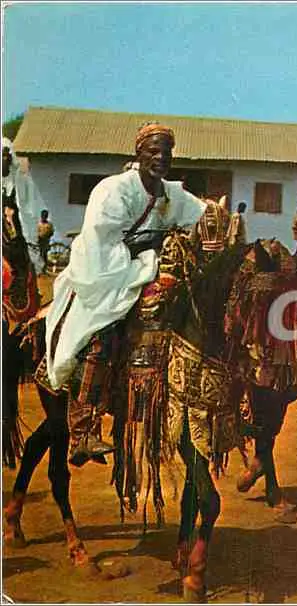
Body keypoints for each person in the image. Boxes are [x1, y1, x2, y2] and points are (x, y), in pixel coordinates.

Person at [43, 123, 207, 467]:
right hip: (107, 275)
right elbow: (99, 245)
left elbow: (203, 218)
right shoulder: (114, 190)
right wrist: (153, 247)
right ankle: (83, 428)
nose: (160, 158)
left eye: (166, 152)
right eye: (153, 151)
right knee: (100, 333)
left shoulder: (173, 195)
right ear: (139, 154)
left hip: (151, 272)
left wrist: (219, 222)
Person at [2, 137, 44, 274]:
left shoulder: (20, 180)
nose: (4, 160)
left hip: (13, 228)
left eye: (6, 156)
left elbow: (26, 209)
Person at [37, 209, 54, 274]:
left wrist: (47, 235)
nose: (44, 217)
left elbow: (52, 232)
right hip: (40, 242)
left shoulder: (49, 224)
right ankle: (40, 269)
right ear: (41, 216)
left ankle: (44, 269)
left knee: (44, 255)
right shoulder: (39, 224)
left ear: (47, 216)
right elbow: (37, 231)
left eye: (45, 216)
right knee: (40, 255)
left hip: (46, 241)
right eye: (43, 216)